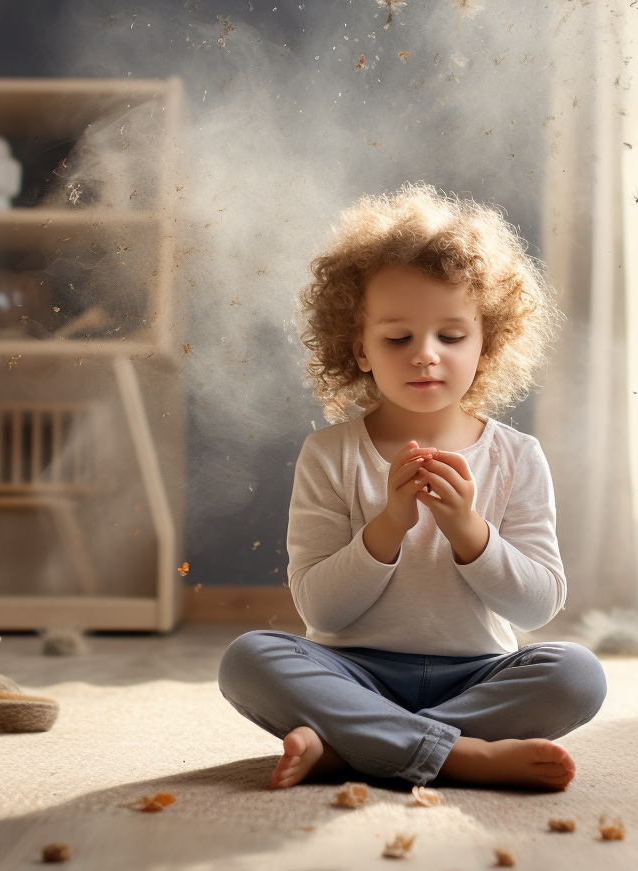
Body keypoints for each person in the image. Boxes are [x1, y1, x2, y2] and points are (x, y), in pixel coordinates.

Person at [218, 184, 606, 791]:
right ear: (360, 350)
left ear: (487, 344)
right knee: (248, 659)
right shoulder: (329, 454)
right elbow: (320, 609)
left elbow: (537, 605)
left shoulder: (517, 456)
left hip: (478, 676)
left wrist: (469, 533)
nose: (425, 355)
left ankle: (356, 746)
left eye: (451, 336)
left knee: (577, 674)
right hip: (352, 673)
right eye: (398, 338)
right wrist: (388, 526)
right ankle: (458, 756)